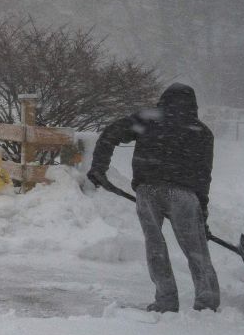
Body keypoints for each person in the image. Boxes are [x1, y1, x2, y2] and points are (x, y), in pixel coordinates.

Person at [87, 83, 219, 312]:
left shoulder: (148, 118)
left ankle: (166, 300)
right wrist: (201, 216)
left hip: (148, 190)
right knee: (196, 249)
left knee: (155, 245)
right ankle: (207, 303)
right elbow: (203, 177)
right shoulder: (202, 132)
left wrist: (99, 167)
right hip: (184, 194)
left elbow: (111, 133)